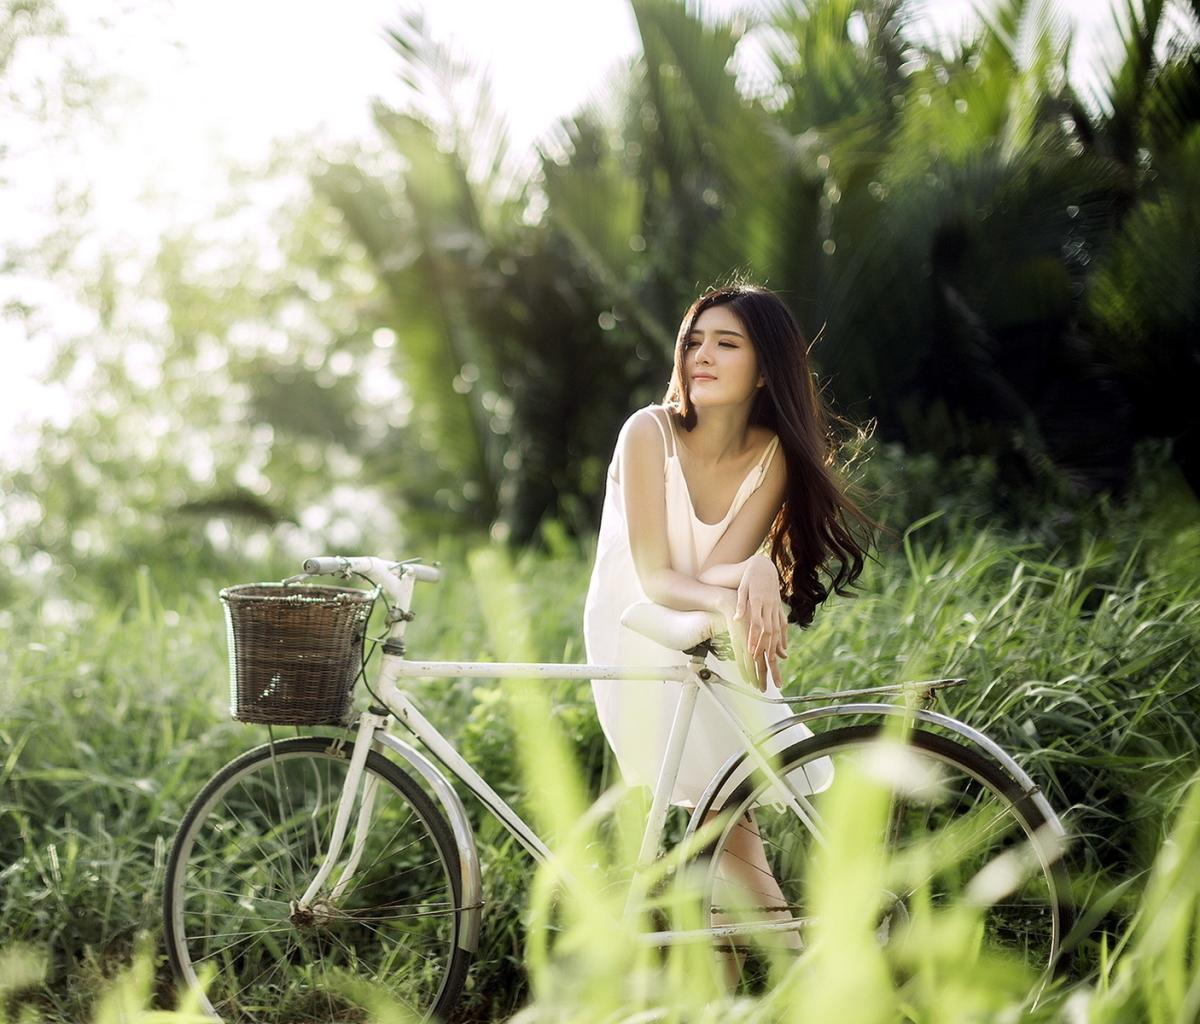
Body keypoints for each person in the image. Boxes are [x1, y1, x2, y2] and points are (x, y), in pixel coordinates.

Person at [582, 284, 874, 946]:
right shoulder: (647, 431)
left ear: (765, 369)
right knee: (719, 812)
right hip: (637, 625)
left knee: (724, 815)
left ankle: (767, 971)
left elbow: (717, 566)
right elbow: (656, 576)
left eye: (726, 343)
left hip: (708, 626)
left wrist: (755, 569)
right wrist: (746, 580)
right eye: (693, 341)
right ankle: (794, 969)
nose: (701, 355)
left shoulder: (771, 455)